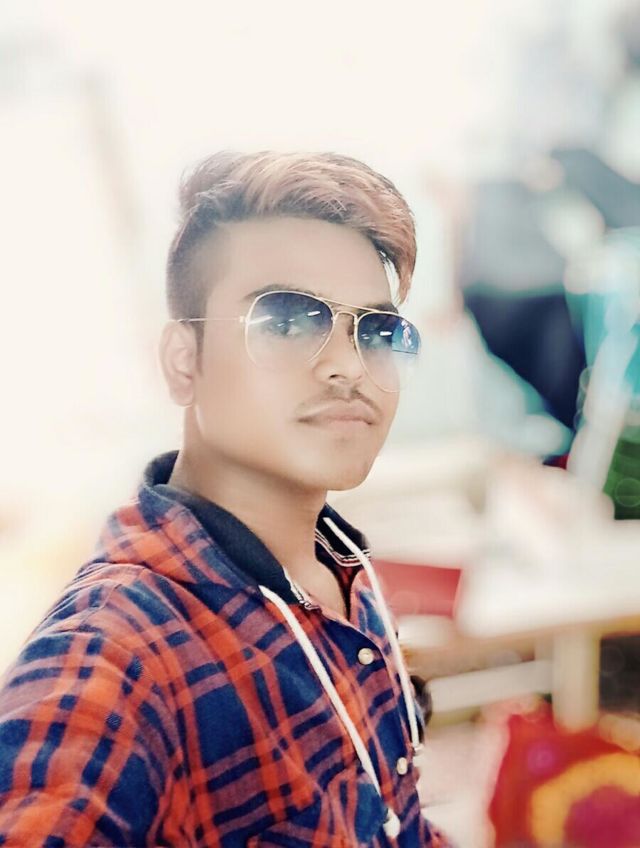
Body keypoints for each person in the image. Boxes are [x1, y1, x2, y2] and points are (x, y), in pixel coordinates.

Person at [0, 151, 450, 846]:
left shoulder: (340, 570)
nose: (349, 365)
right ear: (185, 362)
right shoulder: (119, 650)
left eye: (377, 331)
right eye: (287, 321)